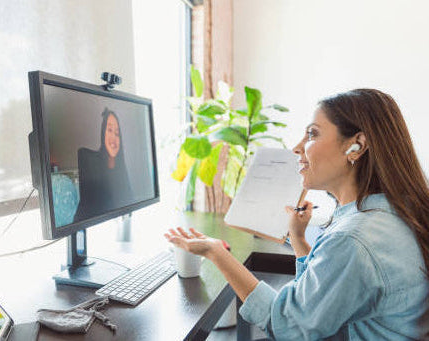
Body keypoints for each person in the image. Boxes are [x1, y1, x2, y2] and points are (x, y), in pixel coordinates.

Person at [166, 89, 429, 340]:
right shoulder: (394, 211)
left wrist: (216, 252)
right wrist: (299, 240)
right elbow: (320, 299)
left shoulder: (352, 240)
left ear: (356, 146)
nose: (297, 147)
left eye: (312, 134)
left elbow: (287, 324)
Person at [73, 108, 133, 222]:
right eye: (109, 130)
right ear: (102, 134)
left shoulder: (121, 172)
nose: (114, 138)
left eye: (117, 133)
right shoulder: (91, 163)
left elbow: (129, 204)